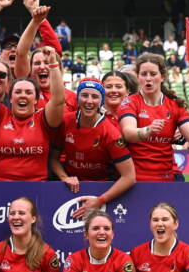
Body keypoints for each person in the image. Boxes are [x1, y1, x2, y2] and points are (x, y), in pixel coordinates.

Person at [0, 24, 67, 181]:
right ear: (10, 98)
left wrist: (53, 64)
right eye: (17, 92)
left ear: (36, 100)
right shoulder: (0, 116)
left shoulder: (43, 120)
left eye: (28, 92)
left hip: (39, 190)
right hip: (0, 190)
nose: (22, 96)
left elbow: (58, 100)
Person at [50, 78, 135, 211]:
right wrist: (64, 177)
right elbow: (53, 158)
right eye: (84, 95)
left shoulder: (111, 133)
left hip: (101, 189)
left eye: (95, 96)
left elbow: (129, 177)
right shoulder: (65, 121)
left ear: (101, 101)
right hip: (70, 187)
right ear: (77, 98)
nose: (89, 101)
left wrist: (100, 200)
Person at [118, 53, 189, 181]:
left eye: (153, 74)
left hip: (166, 178)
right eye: (144, 74)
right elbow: (128, 133)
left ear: (162, 77)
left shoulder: (175, 105)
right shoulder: (129, 102)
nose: (148, 78)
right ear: (138, 77)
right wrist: (148, 130)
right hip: (135, 179)